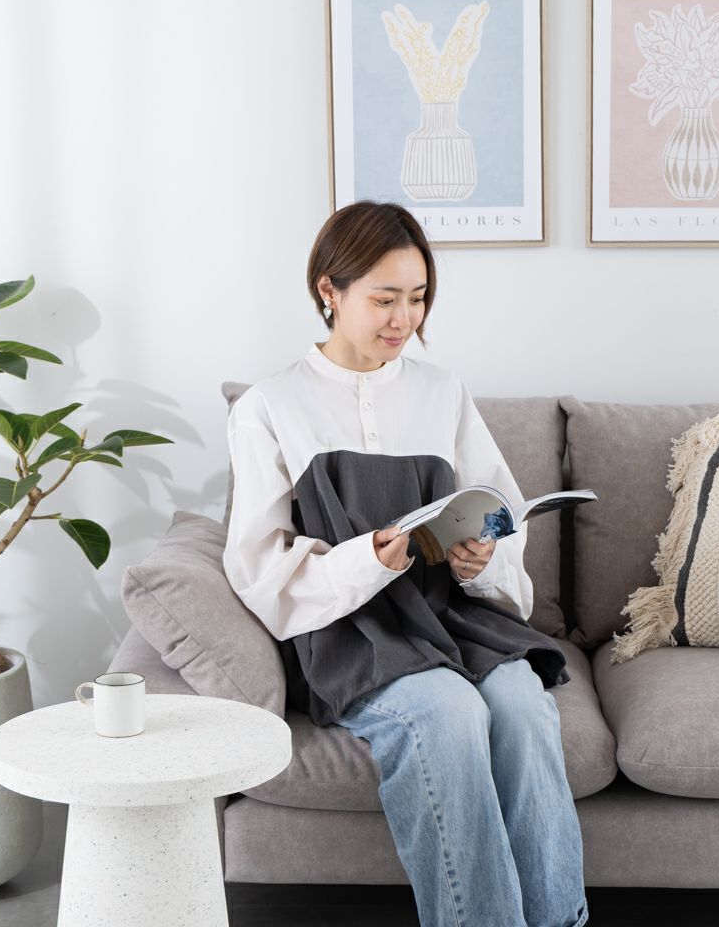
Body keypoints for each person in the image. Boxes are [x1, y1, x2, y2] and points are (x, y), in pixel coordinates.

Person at [222, 200, 589, 927]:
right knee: (448, 712)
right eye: (384, 299)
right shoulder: (269, 407)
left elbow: (500, 514)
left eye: (417, 299)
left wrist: (481, 557)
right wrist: (369, 559)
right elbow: (259, 566)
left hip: (451, 618)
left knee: (521, 703)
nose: (404, 319)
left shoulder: (441, 391)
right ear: (329, 291)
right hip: (352, 633)